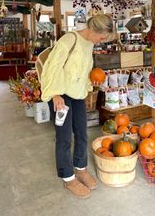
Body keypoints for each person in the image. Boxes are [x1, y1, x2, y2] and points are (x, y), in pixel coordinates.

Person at [41, 14, 115, 198]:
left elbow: (84, 69)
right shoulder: (69, 40)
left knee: (82, 133)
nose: (102, 41)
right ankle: (68, 178)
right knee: (64, 137)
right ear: (95, 30)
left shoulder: (89, 44)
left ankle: (80, 168)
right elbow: (52, 67)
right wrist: (55, 93)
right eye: (102, 37)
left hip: (78, 95)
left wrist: (91, 84)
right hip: (61, 96)